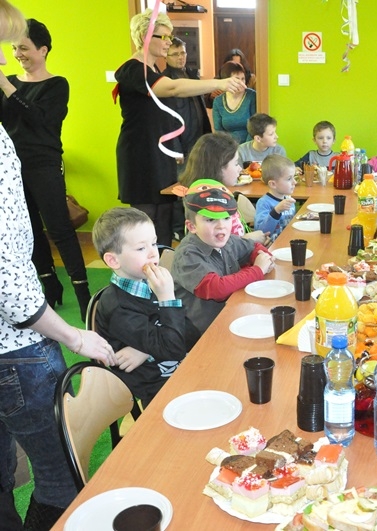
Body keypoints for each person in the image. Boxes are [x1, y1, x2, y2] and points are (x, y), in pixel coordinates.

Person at [0, 4, 117, 529]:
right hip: (15, 349)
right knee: (62, 481)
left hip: (45, 165)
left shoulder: (50, 86)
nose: (10, 56)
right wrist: (71, 334)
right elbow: (10, 280)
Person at [114, 10, 246, 247]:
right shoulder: (133, 70)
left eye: (169, 37)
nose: (168, 42)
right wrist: (220, 83)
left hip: (160, 154)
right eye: (163, 37)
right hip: (140, 156)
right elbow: (173, 89)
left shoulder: (153, 70)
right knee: (145, 223)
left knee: (165, 217)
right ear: (144, 37)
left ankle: (163, 266)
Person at [0, 18, 92, 321]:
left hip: (45, 165)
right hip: (12, 167)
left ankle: (83, 295)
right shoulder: (9, 81)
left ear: (43, 50)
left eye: (24, 48)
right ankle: (49, 285)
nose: (18, 54)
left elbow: (39, 119)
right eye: (14, 48)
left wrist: (6, 85)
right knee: (29, 229)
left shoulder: (57, 85)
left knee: (60, 229)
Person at [91, 207, 194, 408]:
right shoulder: (117, 307)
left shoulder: (151, 283)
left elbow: (191, 334)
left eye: (154, 243)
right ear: (113, 260)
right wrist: (167, 299)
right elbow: (174, 348)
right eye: (141, 248)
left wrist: (146, 351)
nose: (153, 253)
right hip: (157, 390)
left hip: (181, 371)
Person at [171, 187, 274, 334]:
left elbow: (254, 247)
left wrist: (263, 257)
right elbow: (216, 288)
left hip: (231, 314)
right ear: (192, 226)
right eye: (210, 220)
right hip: (202, 332)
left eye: (226, 218)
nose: (221, 226)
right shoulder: (187, 254)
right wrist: (257, 270)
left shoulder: (227, 240)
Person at [162, 36, 213, 241]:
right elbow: (166, 119)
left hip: (199, 140)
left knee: (198, 186)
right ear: (166, 56)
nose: (180, 57)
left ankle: (197, 226)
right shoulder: (165, 81)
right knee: (180, 187)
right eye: (175, 54)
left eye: (182, 52)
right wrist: (174, 147)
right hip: (180, 144)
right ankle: (178, 228)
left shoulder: (192, 75)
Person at [176, 132, 264, 241]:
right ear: (218, 167)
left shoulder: (220, 195)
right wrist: (249, 239)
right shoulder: (208, 203)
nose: (240, 169)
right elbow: (217, 246)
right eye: (236, 163)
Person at [254, 154, 297, 241]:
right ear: (273, 184)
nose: (295, 182)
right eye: (289, 179)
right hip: (272, 246)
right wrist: (276, 211)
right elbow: (262, 232)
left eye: (294, 177)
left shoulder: (288, 199)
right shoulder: (264, 203)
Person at [212, 61, 256, 144]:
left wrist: (244, 148)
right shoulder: (218, 101)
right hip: (228, 147)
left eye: (243, 79)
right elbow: (218, 131)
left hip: (249, 146)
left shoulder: (252, 96)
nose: (241, 83)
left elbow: (255, 126)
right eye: (237, 79)